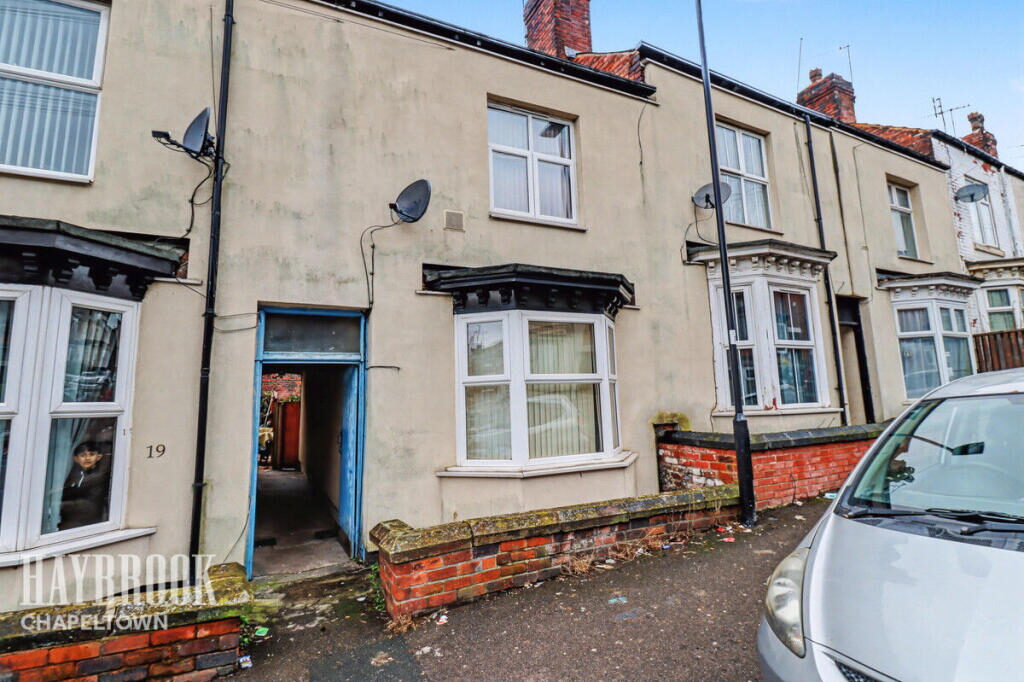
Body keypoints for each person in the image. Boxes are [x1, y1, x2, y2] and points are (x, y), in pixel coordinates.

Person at [59, 441, 112, 531]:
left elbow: (89, 501)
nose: (87, 458)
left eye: (91, 454)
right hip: (73, 519)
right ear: (76, 459)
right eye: (83, 455)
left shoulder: (100, 477)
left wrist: (62, 505)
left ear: (98, 457)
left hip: (91, 521)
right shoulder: (71, 475)